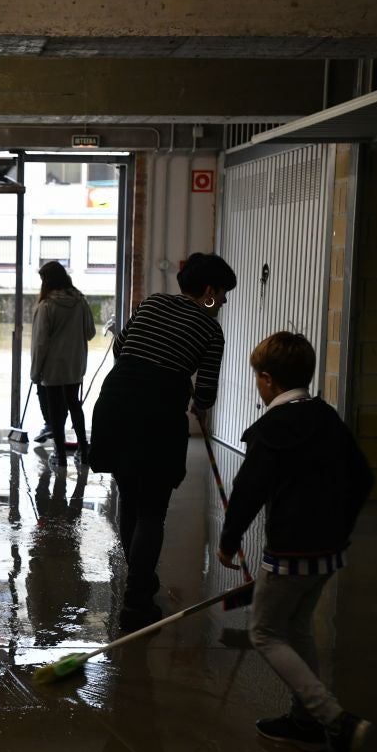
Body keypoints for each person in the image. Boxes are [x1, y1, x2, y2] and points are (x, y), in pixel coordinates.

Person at [217, 331, 374, 752]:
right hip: (329, 551)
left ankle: (334, 720)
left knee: (263, 631)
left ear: (267, 380)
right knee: (298, 625)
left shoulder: (271, 430)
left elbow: (248, 491)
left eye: (257, 379)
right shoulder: (327, 417)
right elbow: (363, 477)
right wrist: (339, 526)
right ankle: (305, 722)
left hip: (290, 551)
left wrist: (229, 542)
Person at [87, 252, 236, 622]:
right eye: (221, 294)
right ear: (207, 291)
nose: (224, 302)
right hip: (157, 416)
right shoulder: (210, 329)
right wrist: (196, 402)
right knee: (153, 509)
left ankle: (141, 579)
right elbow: (206, 393)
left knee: (132, 499)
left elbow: (122, 348)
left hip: (115, 405)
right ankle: (136, 600)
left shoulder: (152, 303)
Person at [30, 261, 95, 465]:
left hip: (53, 367)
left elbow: (41, 342)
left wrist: (35, 372)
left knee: (56, 410)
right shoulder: (80, 301)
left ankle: (59, 455)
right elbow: (91, 332)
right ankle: (83, 450)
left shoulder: (46, 305)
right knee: (74, 404)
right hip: (75, 364)